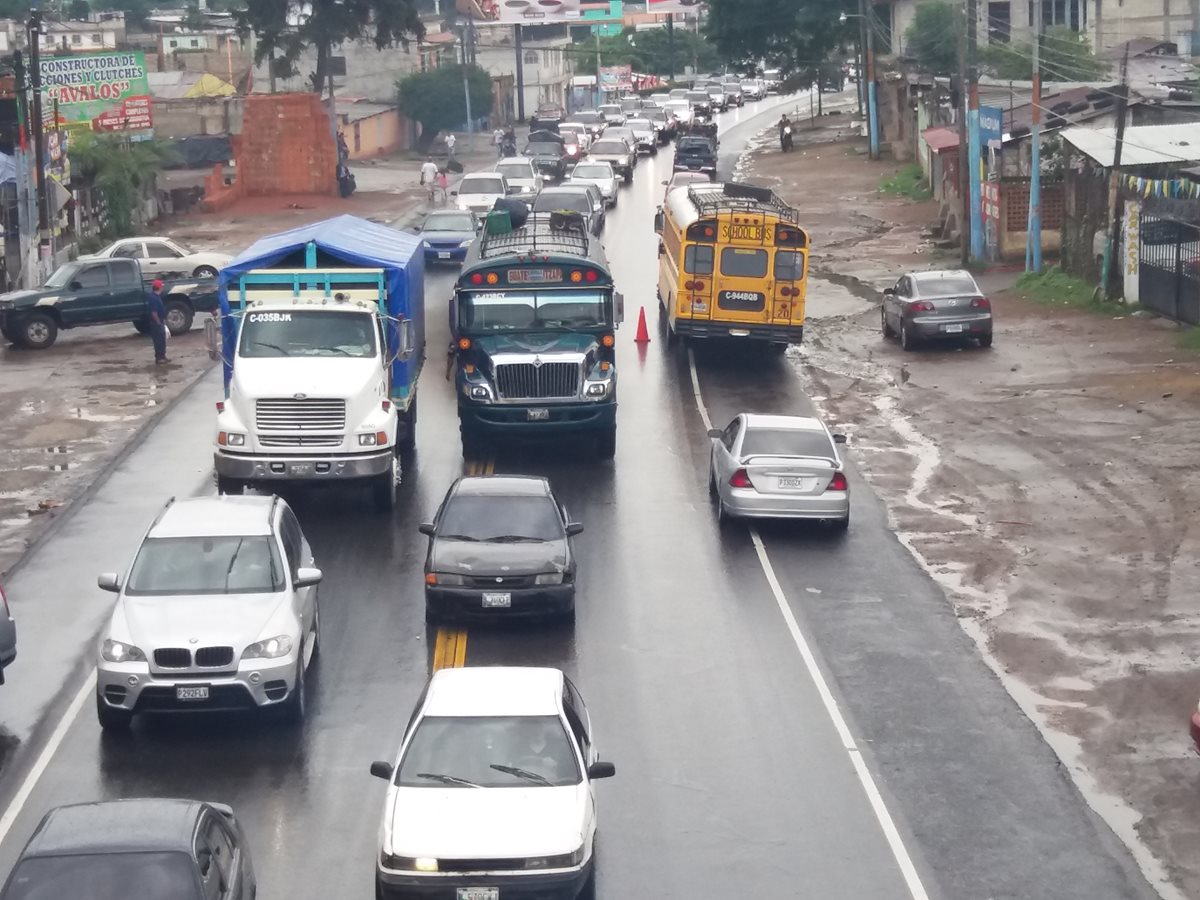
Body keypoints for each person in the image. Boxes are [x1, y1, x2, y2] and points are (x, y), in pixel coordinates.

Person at [146, 279, 168, 365]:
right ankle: (159, 358)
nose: (162, 288)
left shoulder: (156, 296)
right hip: (156, 323)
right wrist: (158, 323)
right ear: (158, 287)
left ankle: (162, 356)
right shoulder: (153, 298)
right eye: (162, 286)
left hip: (160, 321)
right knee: (158, 340)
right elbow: (154, 313)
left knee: (162, 340)